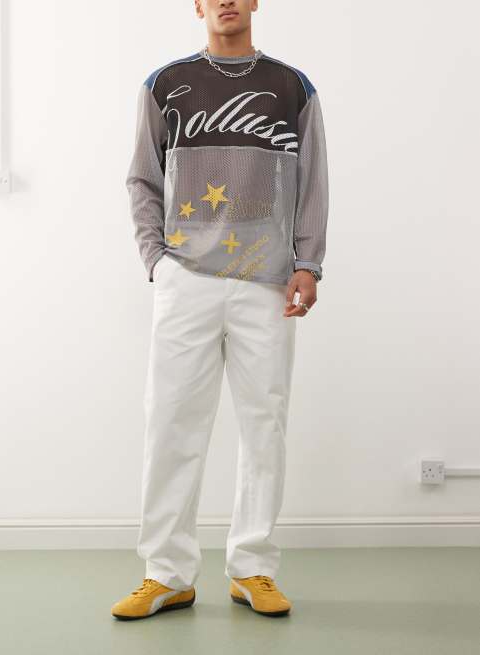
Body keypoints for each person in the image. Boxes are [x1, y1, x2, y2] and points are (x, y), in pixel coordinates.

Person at [111, 0, 329, 620]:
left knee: (264, 425)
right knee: (171, 423)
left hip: (268, 281)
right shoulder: (165, 85)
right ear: (198, 6)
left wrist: (308, 264)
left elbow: (313, 182)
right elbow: (142, 178)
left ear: (255, 1)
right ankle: (166, 573)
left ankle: (253, 568)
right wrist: (157, 260)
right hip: (186, 276)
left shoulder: (292, 87)